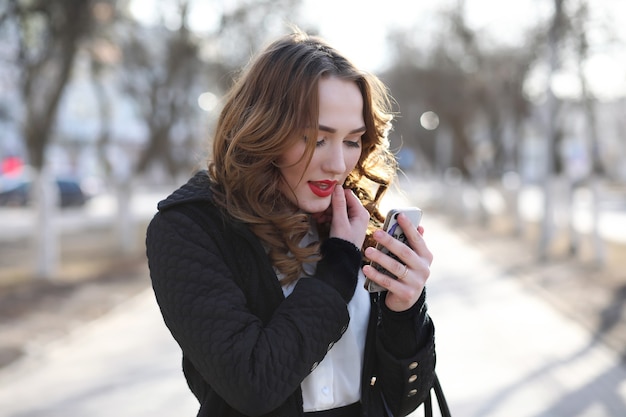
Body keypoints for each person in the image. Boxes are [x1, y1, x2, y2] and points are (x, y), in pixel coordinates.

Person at [146, 28, 436, 417]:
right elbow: (253, 385)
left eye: (352, 140)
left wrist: (405, 309)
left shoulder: (356, 222)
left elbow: (401, 400)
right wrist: (338, 265)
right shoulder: (190, 228)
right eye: (316, 138)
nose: (337, 164)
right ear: (264, 129)